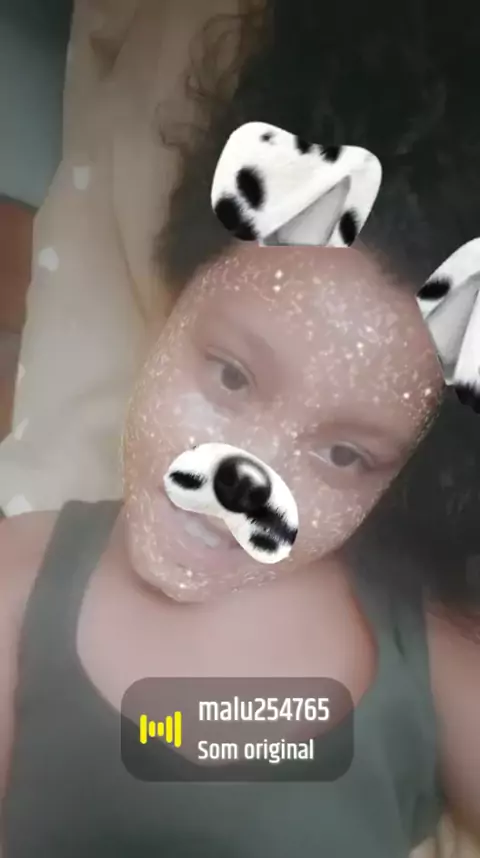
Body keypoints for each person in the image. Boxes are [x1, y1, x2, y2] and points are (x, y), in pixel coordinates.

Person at [2, 1, 480, 856]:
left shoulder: (419, 642)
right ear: (175, 300)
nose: (247, 477)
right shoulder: (17, 586)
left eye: (343, 455)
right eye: (230, 376)